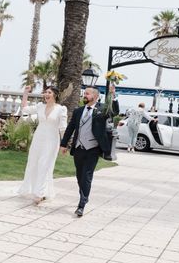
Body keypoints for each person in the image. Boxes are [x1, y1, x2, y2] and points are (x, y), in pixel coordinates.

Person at [60, 85, 119, 217]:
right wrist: (63, 144)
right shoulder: (78, 111)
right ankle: (84, 195)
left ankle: (81, 204)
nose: (84, 95)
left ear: (95, 96)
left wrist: (113, 96)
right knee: (79, 175)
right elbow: (70, 128)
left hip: (93, 149)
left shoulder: (102, 110)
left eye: (87, 94)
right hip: (79, 148)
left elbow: (114, 112)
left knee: (87, 175)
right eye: (84, 93)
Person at [17, 85, 67, 205]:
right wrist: (25, 93)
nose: (46, 95)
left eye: (49, 92)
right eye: (45, 93)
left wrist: (64, 144)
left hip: (52, 140)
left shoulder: (61, 109)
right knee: (33, 163)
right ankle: (32, 189)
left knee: (45, 165)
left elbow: (63, 128)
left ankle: (40, 193)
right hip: (38, 138)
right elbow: (24, 109)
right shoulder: (40, 106)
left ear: (54, 94)